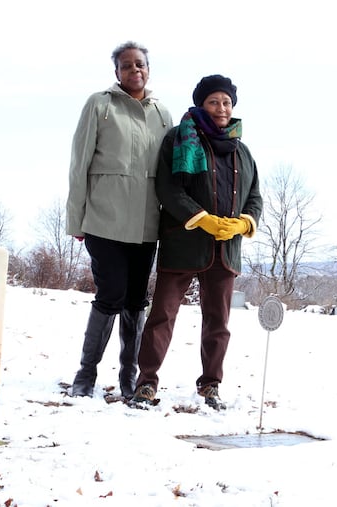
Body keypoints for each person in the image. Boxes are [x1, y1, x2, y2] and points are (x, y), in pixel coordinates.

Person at [131, 74, 263, 410]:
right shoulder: (180, 138)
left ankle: (210, 386)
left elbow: (255, 198)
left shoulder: (242, 151)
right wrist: (201, 217)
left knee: (218, 322)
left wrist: (243, 223)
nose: (221, 108)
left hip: (225, 251)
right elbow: (168, 188)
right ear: (201, 104)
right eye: (214, 102)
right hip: (183, 245)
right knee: (162, 315)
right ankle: (146, 383)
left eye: (227, 102)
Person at [66, 41, 173, 399]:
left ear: (148, 69)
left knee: (136, 300)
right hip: (103, 221)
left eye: (140, 64)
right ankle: (85, 376)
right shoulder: (100, 105)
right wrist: (75, 219)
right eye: (126, 65)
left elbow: (171, 174)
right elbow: (79, 165)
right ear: (117, 72)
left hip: (146, 226)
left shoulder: (162, 114)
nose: (134, 70)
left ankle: (130, 377)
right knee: (111, 293)